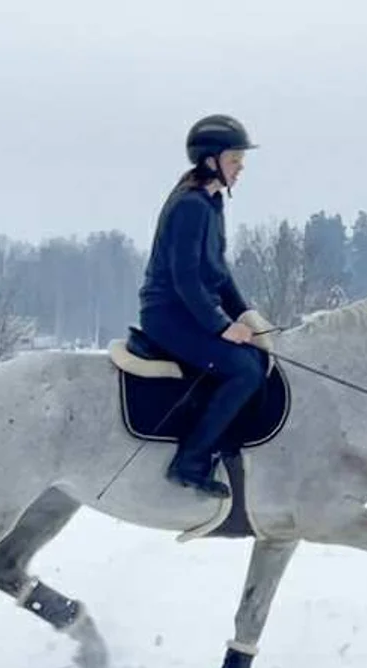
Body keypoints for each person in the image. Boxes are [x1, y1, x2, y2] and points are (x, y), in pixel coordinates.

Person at [137, 114, 268, 499]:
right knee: (244, 371)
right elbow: (186, 279)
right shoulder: (190, 206)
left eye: (241, 161)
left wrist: (247, 316)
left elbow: (219, 272)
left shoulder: (211, 203)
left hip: (191, 313)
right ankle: (190, 460)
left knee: (256, 359)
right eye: (234, 161)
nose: (240, 168)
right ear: (210, 160)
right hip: (169, 316)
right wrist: (221, 326)